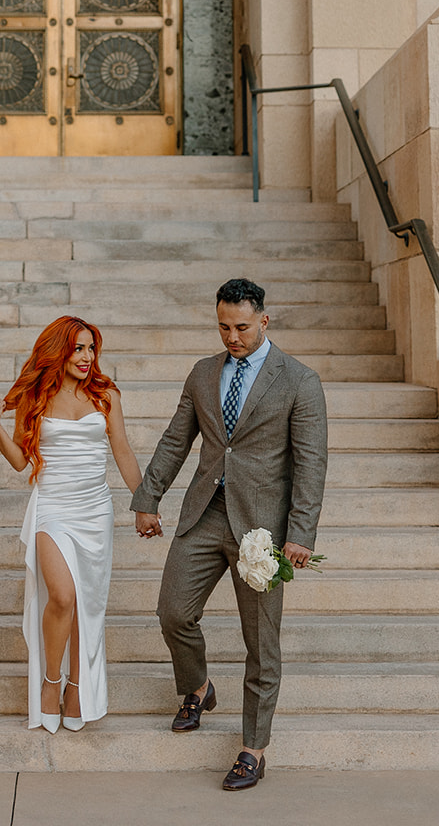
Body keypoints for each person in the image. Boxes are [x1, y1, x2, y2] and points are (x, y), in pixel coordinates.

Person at [130, 277, 328, 791]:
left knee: (261, 643)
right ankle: (197, 686)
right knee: (173, 611)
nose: (231, 336)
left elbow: (310, 464)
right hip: (204, 513)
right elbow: (177, 440)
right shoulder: (202, 374)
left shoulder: (299, 381)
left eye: (241, 326)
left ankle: (253, 749)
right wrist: (148, 498)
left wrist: (300, 532)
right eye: (223, 326)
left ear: (264, 319)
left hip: (262, 528)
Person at [0, 315, 147, 732]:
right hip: (53, 508)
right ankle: (49, 682)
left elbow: (123, 452)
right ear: (59, 351)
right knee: (62, 594)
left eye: (91, 348)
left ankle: (77, 689)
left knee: (87, 605)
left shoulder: (106, 396)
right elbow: (21, 462)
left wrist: (146, 502)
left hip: (95, 511)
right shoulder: (36, 396)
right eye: (78, 348)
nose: (87, 357)